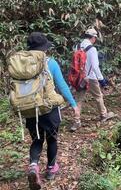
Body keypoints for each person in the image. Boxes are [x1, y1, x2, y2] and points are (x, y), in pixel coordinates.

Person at [26, 32, 80, 189]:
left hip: (30, 109)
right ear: (44, 48)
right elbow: (61, 85)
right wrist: (74, 104)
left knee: (37, 140)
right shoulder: (51, 62)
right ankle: (50, 169)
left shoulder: (22, 64)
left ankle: (34, 166)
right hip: (49, 109)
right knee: (52, 139)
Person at [71, 28, 115, 131]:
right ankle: (104, 115)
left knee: (79, 99)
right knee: (98, 96)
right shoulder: (92, 49)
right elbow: (95, 66)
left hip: (79, 77)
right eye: (95, 37)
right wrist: (102, 80)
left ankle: (76, 121)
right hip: (90, 77)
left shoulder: (77, 46)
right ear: (93, 38)